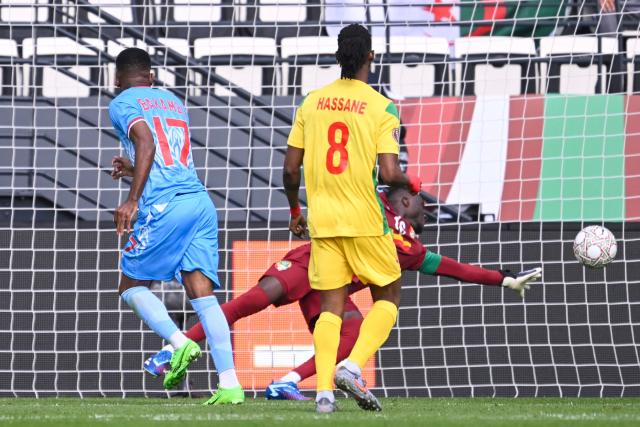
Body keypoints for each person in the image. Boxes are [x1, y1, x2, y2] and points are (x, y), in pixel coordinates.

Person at [143, 187, 542, 400]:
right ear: (403, 200)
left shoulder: (411, 248)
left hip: (333, 289)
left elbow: (456, 269)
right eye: (422, 203)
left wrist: (502, 279)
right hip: (309, 263)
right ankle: (171, 350)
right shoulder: (374, 204)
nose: (427, 209)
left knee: (350, 335)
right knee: (249, 303)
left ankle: (286, 382)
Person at [108, 47, 243, 405]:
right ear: (151, 77)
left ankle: (179, 344)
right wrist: (131, 167)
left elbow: (148, 142)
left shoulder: (121, 102)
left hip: (165, 205)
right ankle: (230, 384)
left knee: (129, 285)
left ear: (117, 80)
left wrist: (132, 199)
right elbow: (164, 151)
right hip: (199, 202)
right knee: (203, 294)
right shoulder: (171, 101)